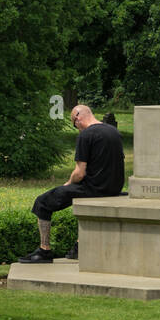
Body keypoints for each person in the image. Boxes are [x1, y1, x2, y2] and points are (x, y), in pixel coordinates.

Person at [19, 105, 125, 263]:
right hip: (114, 188)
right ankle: (78, 247)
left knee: (42, 202)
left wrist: (67, 184)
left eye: (74, 125)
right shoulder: (113, 131)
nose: (77, 128)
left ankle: (44, 251)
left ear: (77, 118)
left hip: (95, 188)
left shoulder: (86, 135)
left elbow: (79, 172)